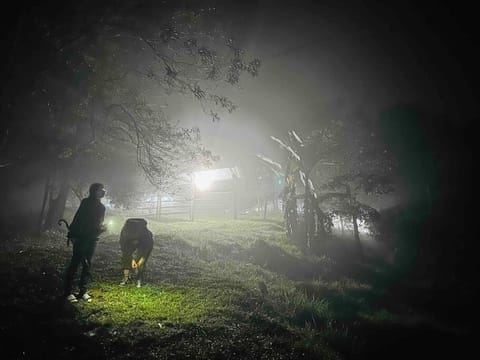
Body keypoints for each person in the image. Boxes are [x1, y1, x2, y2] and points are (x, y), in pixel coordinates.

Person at [63, 183, 106, 302]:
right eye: (100, 189)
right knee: (75, 263)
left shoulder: (102, 207)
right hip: (81, 238)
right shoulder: (86, 203)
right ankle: (68, 292)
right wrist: (72, 234)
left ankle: (83, 291)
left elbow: (99, 224)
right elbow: (78, 218)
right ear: (94, 191)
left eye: (103, 189)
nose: (103, 191)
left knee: (87, 265)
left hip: (92, 239)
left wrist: (102, 229)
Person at [119, 218, 153, 288]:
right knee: (126, 258)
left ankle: (139, 278)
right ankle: (126, 277)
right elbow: (125, 250)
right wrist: (131, 259)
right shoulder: (124, 234)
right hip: (128, 245)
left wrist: (142, 259)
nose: (134, 242)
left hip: (143, 246)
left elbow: (145, 250)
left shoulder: (147, 235)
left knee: (140, 263)